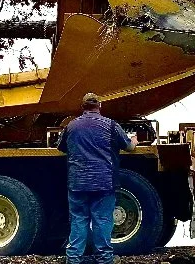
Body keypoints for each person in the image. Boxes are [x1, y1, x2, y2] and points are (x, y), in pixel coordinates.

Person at [57, 92, 138, 264]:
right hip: (104, 182)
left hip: (77, 182)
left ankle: (73, 259)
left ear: (82, 107)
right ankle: (104, 258)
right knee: (102, 220)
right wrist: (134, 140)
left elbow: (61, 147)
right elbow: (129, 147)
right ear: (99, 106)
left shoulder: (71, 126)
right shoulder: (110, 125)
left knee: (79, 220)